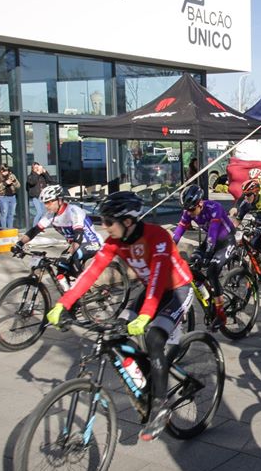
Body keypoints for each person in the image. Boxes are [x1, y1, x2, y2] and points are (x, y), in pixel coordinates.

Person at [46, 191, 194, 441]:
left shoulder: (156, 236)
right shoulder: (116, 242)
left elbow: (158, 277)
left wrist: (146, 315)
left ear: (127, 221)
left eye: (108, 222)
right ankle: (147, 375)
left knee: (155, 338)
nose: (104, 227)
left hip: (177, 288)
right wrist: (64, 303)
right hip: (151, 288)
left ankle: (160, 406)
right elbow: (91, 273)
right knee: (117, 332)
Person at [174, 185, 236, 326]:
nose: (189, 213)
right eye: (186, 210)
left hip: (226, 241)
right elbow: (179, 231)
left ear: (200, 203)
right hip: (210, 241)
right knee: (193, 266)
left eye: (191, 209)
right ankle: (208, 294)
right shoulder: (188, 212)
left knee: (212, 270)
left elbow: (213, 233)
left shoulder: (215, 208)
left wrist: (208, 254)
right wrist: (169, 249)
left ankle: (221, 313)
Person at [13, 185, 102, 277]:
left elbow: (78, 236)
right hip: (76, 246)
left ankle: (84, 286)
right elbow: (34, 231)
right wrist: (19, 244)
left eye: (49, 202)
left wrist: (69, 253)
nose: (46, 206)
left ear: (59, 200)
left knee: (73, 258)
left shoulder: (73, 211)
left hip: (92, 243)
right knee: (61, 269)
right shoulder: (50, 215)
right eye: (45, 203)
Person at [231, 179, 261, 256]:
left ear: (256, 193)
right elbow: (238, 219)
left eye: (248, 195)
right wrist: (228, 230)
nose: (246, 198)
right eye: (244, 195)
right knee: (253, 245)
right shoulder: (246, 204)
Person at [0, 164, 20, 229]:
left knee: (11, 214)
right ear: (1, 171)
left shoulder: (11, 175)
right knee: (4, 214)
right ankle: (4, 230)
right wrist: (5, 183)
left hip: (12, 197)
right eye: (5, 171)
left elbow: (18, 186)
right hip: (3, 197)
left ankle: (10, 229)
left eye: (7, 170)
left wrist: (14, 181)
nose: (6, 172)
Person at [26, 162, 53, 227]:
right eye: (35, 168)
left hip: (43, 197)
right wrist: (37, 173)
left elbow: (50, 180)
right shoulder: (30, 176)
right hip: (36, 197)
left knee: (44, 213)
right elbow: (33, 182)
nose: (37, 169)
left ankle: (40, 227)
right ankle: (34, 228)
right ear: (32, 169)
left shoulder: (42, 176)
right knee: (39, 212)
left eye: (38, 167)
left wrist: (45, 172)